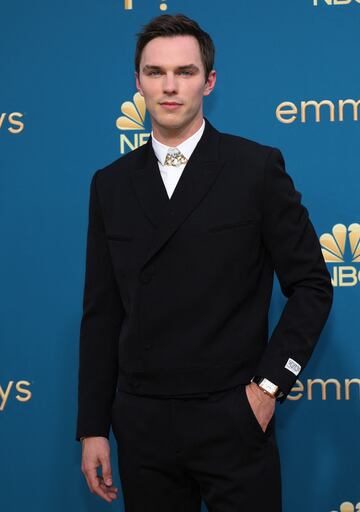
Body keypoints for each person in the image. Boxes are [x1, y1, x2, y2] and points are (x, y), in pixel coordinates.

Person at [76, 13, 333, 511]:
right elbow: (102, 312)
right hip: (143, 425)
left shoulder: (255, 169)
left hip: (233, 416)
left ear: (209, 81)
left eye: (185, 72)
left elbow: (312, 286)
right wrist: (92, 428)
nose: (170, 87)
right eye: (155, 73)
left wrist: (267, 389)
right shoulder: (109, 183)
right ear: (138, 82)